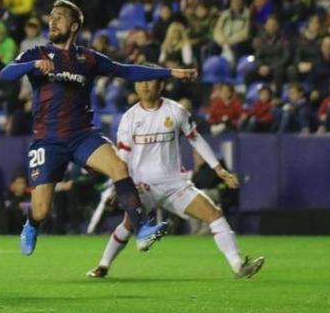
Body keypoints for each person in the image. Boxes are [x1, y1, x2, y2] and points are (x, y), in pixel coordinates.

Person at [0, 0, 198, 256]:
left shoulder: (87, 58)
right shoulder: (37, 54)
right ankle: (32, 223)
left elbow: (126, 71)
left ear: (73, 26)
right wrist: (32, 66)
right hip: (47, 139)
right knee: (41, 210)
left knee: (118, 166)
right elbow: (6, 73)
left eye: (59, 17)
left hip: (82, 134)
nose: (52, 20)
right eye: (51, 16)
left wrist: (170, 73)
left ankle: (142, 230)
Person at [89, 75, 264, 279]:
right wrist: (118, 186)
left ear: (161, 84)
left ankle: (237, 266)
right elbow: (123, 157)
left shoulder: (176, 110)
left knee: (214, 214)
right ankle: (103, 265)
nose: (144, 85)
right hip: (143, 186)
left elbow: (195, 139)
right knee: (127, 225)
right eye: (139, 81)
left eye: (149, 80)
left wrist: (218, 168)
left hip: (175, 186)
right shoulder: (129, 118)